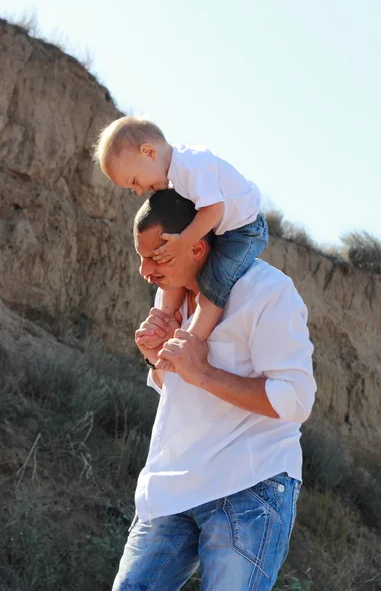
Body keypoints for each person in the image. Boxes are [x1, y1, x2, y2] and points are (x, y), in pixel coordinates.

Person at [111, 189, 317, 591]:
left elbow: (296, 399)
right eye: (142, 256)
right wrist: (158, 360)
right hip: (172, 489)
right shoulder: (170, 292)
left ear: (197, 247)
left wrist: (202, 371)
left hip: (249, 485)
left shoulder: (268, 291)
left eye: (157, 257)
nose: (146, 271)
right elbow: (180, 391)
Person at [93, 117, 268, 369]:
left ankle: (190, 340)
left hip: (244, 229)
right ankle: (164, 319)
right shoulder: (174, 174)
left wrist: (183, 242)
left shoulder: (190, 167)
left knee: (214, 282)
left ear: (149, 152)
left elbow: (214, 211)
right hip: (220, 225)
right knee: (175, 274)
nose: (139, 191)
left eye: (133, 181)